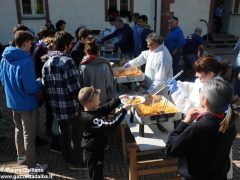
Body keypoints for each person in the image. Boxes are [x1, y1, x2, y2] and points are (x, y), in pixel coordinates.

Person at [165, 77, 238, 180]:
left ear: (206, 102)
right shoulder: (229, 123)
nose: (199, 93)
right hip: (219, 175)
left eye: (201, 91)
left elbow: (170, 149)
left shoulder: (197, 128)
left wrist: (184, 123)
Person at [0, 30, 48, 174]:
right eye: (31, 43)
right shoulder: (26, 61)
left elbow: (2, 80)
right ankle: (32, 167)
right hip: (27, 104)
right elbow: (30, 88)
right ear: (26, 42)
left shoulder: (4, 58)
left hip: (12, 102)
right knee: (29, 134)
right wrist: (39, 82)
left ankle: (21, 158)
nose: (31, 47)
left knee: (18, 131)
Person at [42, 31, 84, 170]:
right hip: (70, 107)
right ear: (67, 45)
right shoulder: (67, 61)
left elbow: (45, 87)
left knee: (63, 133)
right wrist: (82, 103)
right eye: (70, 44)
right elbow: (75, 88)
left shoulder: (46, 63)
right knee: (76, 134)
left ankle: (67, 158)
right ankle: (76, 162)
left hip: (56, 107)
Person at [78, 86, 131, 180]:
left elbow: (104, 109)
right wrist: (123, 111)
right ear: (90, 104)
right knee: (96, 175)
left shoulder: (92, 111)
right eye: (98, 100)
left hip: (96, 149)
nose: (99, 102)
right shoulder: (91, 118)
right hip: (92, 153)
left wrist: (118, 99)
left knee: (97, 173)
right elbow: (111, 124)